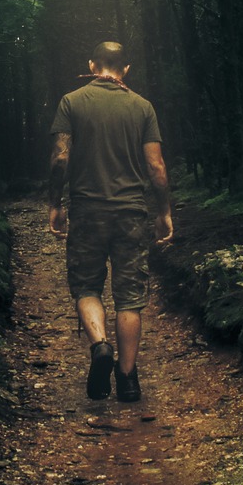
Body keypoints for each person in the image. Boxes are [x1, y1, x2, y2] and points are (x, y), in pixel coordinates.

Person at [46, 41, 172, 403]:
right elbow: (156, 168)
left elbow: (59, 159)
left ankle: (100, 345)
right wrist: (163, 213)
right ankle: (129, 380)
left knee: (87, 287)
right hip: (132, 213)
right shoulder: (142, 107)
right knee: (130, 298)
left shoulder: (71, 102)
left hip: (86, 212)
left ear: (91, 64)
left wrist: (56, 204)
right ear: (126, 69)